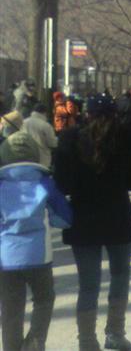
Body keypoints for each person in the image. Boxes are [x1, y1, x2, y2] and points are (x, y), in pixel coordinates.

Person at [54, 94, 131, 351]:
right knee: (120, 276)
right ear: (114, 113)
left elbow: (62, 184)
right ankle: (115, 333)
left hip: (83, 219)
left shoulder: (70, 138)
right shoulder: (127, 137)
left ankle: (86, 341)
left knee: (88, 284)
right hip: (118, 216)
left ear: (88, 113)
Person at [0, 131, 72, 351]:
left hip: (5, 258)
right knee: (44, 299)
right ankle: (34, 341)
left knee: (11, 309)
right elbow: (64, 219)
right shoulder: (45, 182)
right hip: (38, 255)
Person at [22, 103, 59, 168]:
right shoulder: (46, 125)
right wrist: (57, 139)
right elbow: (52, 144)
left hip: (26, 156)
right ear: (44, 113)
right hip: (43, 159)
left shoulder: (24, 122)